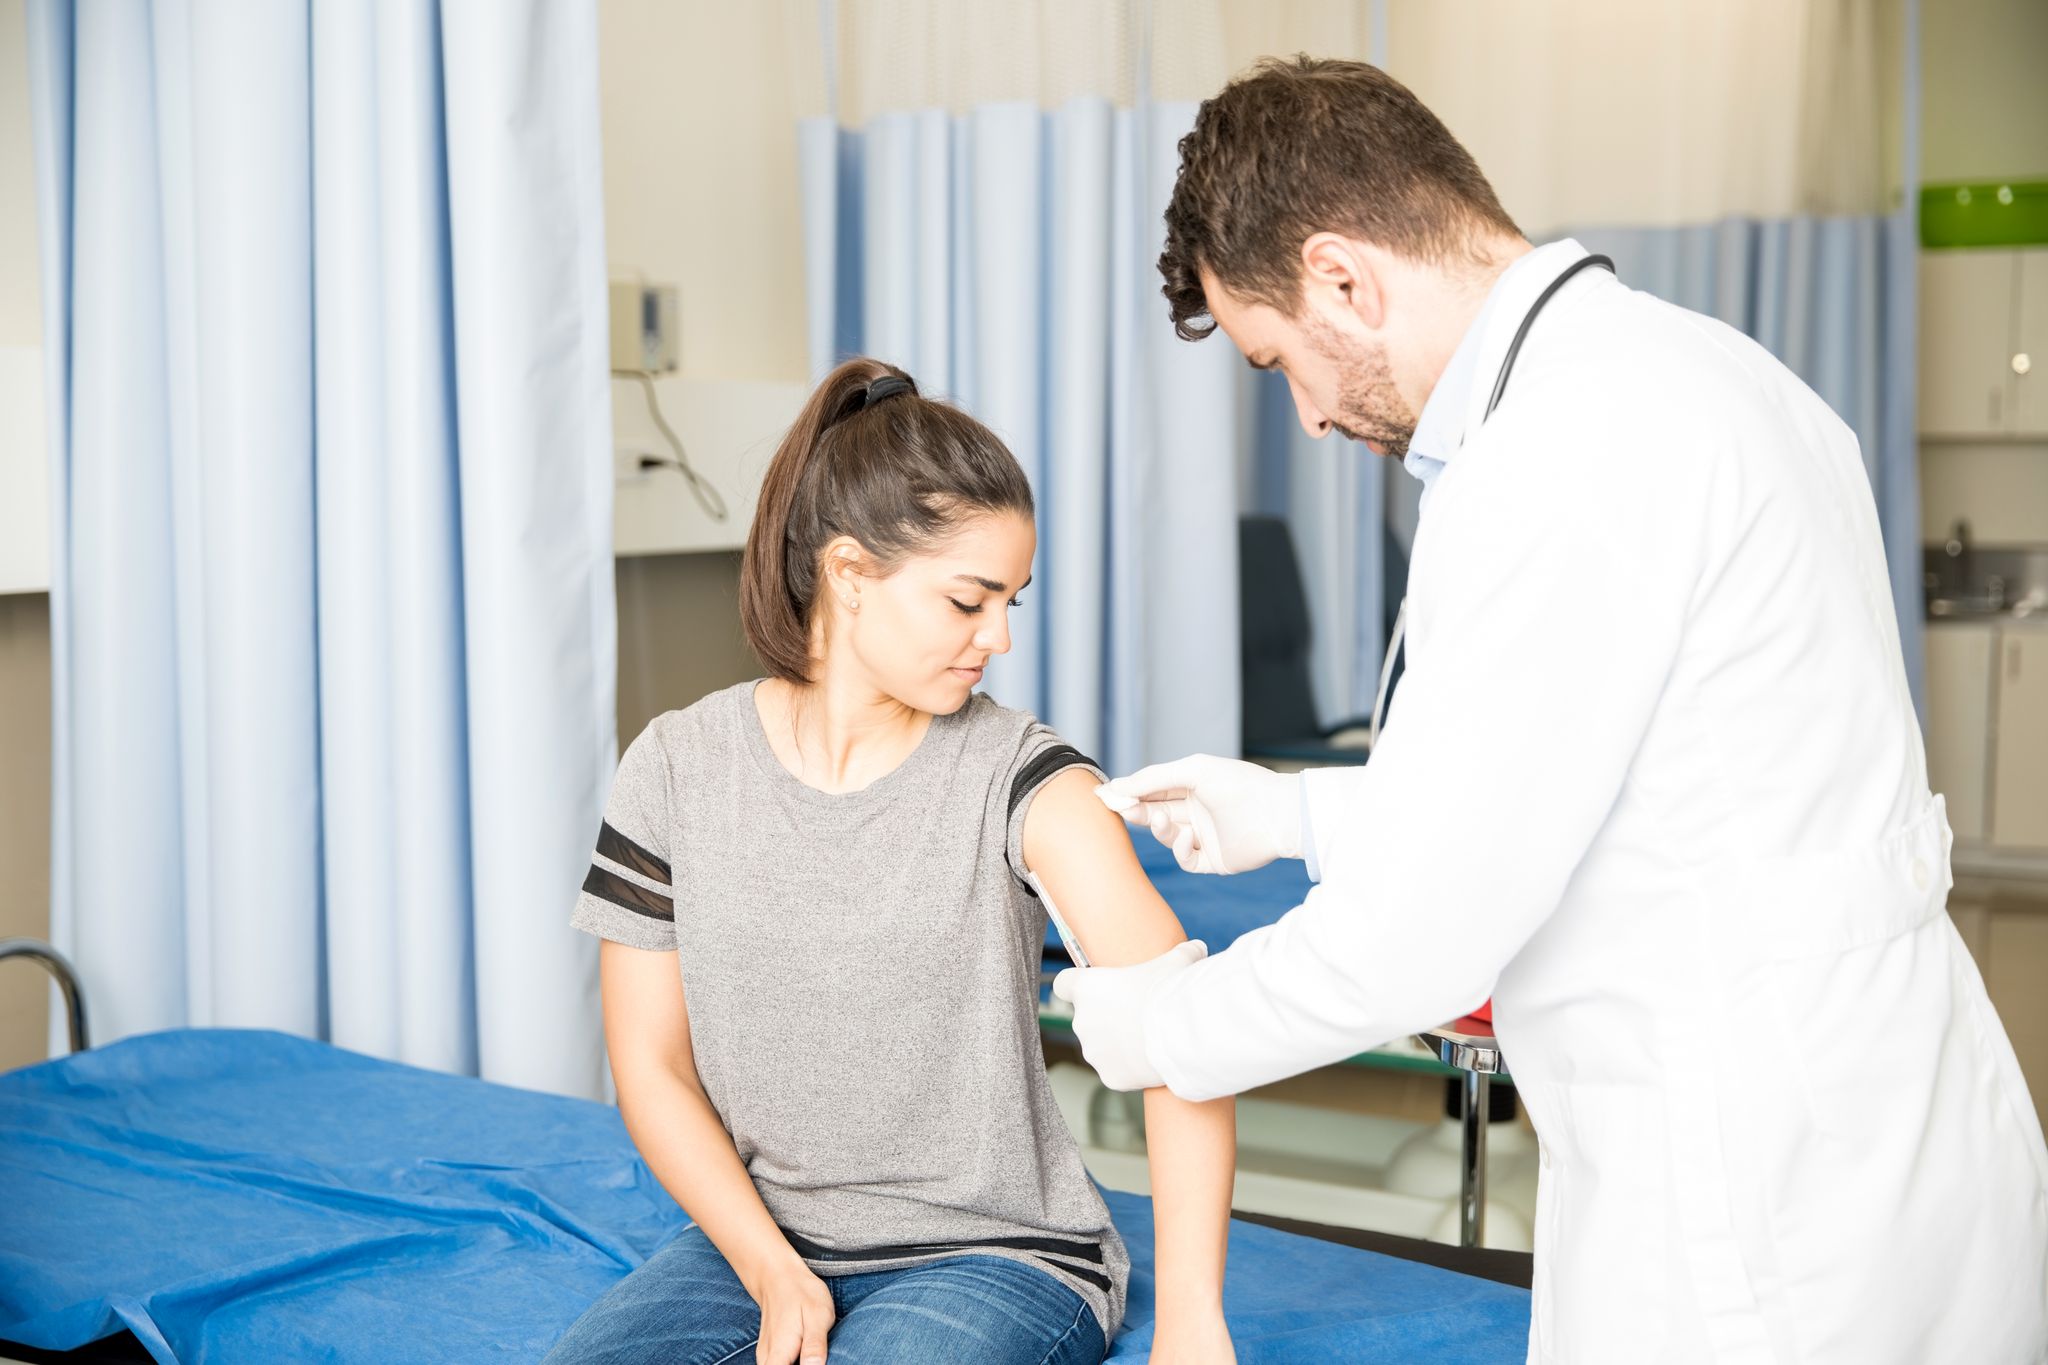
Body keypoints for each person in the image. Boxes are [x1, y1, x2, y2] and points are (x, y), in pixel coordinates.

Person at [1053, 56, 2048, 1363]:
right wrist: (1289, 809)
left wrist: (1147, 1027)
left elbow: (1413, 943)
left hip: (1749, 1189)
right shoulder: (1726, 380)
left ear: (1345, 277)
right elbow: (1661, 796)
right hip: (1893, 1124)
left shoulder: (1560, 453)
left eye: (1281, 359)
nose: (1303, 414)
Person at [544, 359, 1236, 1365]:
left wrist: (1192, 1323)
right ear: (848, 574)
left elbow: (1183, 1043)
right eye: (967, 602)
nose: (997, 638)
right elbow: (649, 1064)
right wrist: (768, 1266)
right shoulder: (674, 768)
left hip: (996, 1255)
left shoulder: (1029, 783)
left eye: (1012, 602)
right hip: (761, 1238)